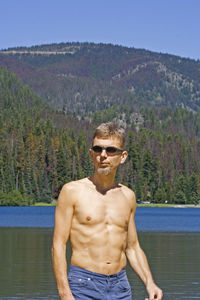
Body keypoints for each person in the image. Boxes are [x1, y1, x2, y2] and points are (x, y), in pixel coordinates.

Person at [52, 122, 163, 300]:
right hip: (83, 285)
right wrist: (65, 293)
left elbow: (132, 247)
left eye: (111, 150)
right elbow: (58, 244)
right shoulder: (72, 191)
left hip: (120, 286)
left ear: (123, 156)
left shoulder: (128, 197)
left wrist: (150, 283)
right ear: (91, 154)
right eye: (98, 149)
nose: (103, 155)